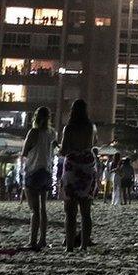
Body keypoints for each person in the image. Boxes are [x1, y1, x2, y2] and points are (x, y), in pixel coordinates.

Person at [58, 99, 97, 251]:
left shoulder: (69, 128)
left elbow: (64, 149)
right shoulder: (91, 127)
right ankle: (84, 245)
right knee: (86, 211)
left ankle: (69, 246)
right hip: (87, 164)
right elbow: (94, 143)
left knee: (70, 210)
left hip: (73, 165)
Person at [21, 106, 55, 250]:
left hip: (34, 171)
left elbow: (24, 152)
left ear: (35, 117)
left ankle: (32, 241)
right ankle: (43, 240)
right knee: (43, 209)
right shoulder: (52, 133)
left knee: (34, 210)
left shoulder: (33, 132)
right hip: (46, 172)